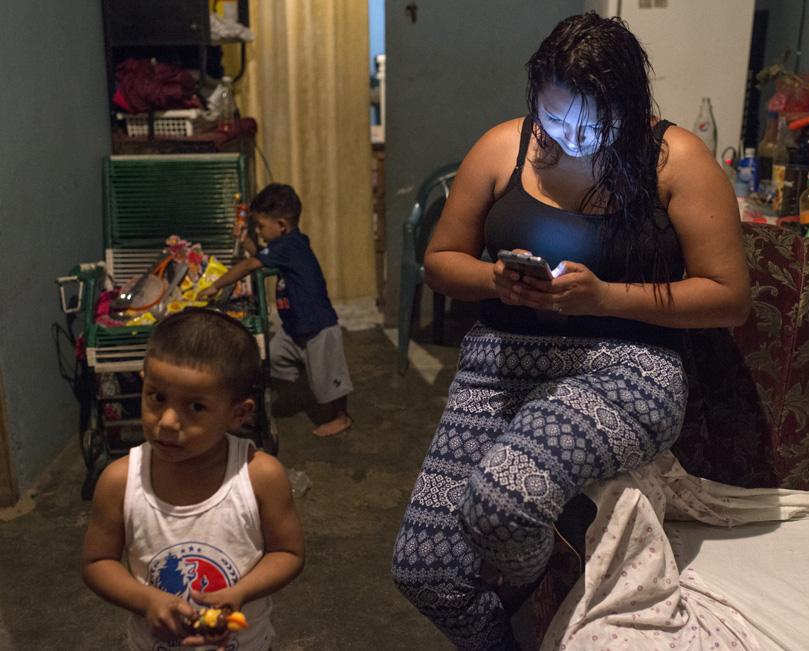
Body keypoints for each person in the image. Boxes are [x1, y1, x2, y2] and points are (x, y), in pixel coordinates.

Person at [391, 12, 751, 650]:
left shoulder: (676, 158)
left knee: (504, 498)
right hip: (500, 364)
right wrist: (493, 282)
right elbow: (441, 262)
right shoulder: (504, 145)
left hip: (628, 368)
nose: (577, 137)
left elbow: (728, 298)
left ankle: (523, 588)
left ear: (632, 104)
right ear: (536, 101)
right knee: (425, 571)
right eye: (558, 119)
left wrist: (605, 295)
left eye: (597, 123)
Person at [82, 308, 305, 650]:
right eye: (157, 398)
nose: (168, 421)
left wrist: (241, 592)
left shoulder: (259, 476)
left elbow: (288, 552)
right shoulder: (121, 481)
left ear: (238, 414)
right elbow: (98, 562)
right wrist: (145, 600)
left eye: (196, 407)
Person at [200, 183, 354, 437]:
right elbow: (261, 257)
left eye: (261, 226)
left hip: (318, 327)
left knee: (330, 381)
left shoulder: (291, 245)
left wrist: (215, 286)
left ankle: (342, 417)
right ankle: (308, 370)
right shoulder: (285, 246)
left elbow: (252, 263)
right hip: (295, 327)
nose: (258, 231)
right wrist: (247, 241)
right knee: (272, 356)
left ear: (281, 225)